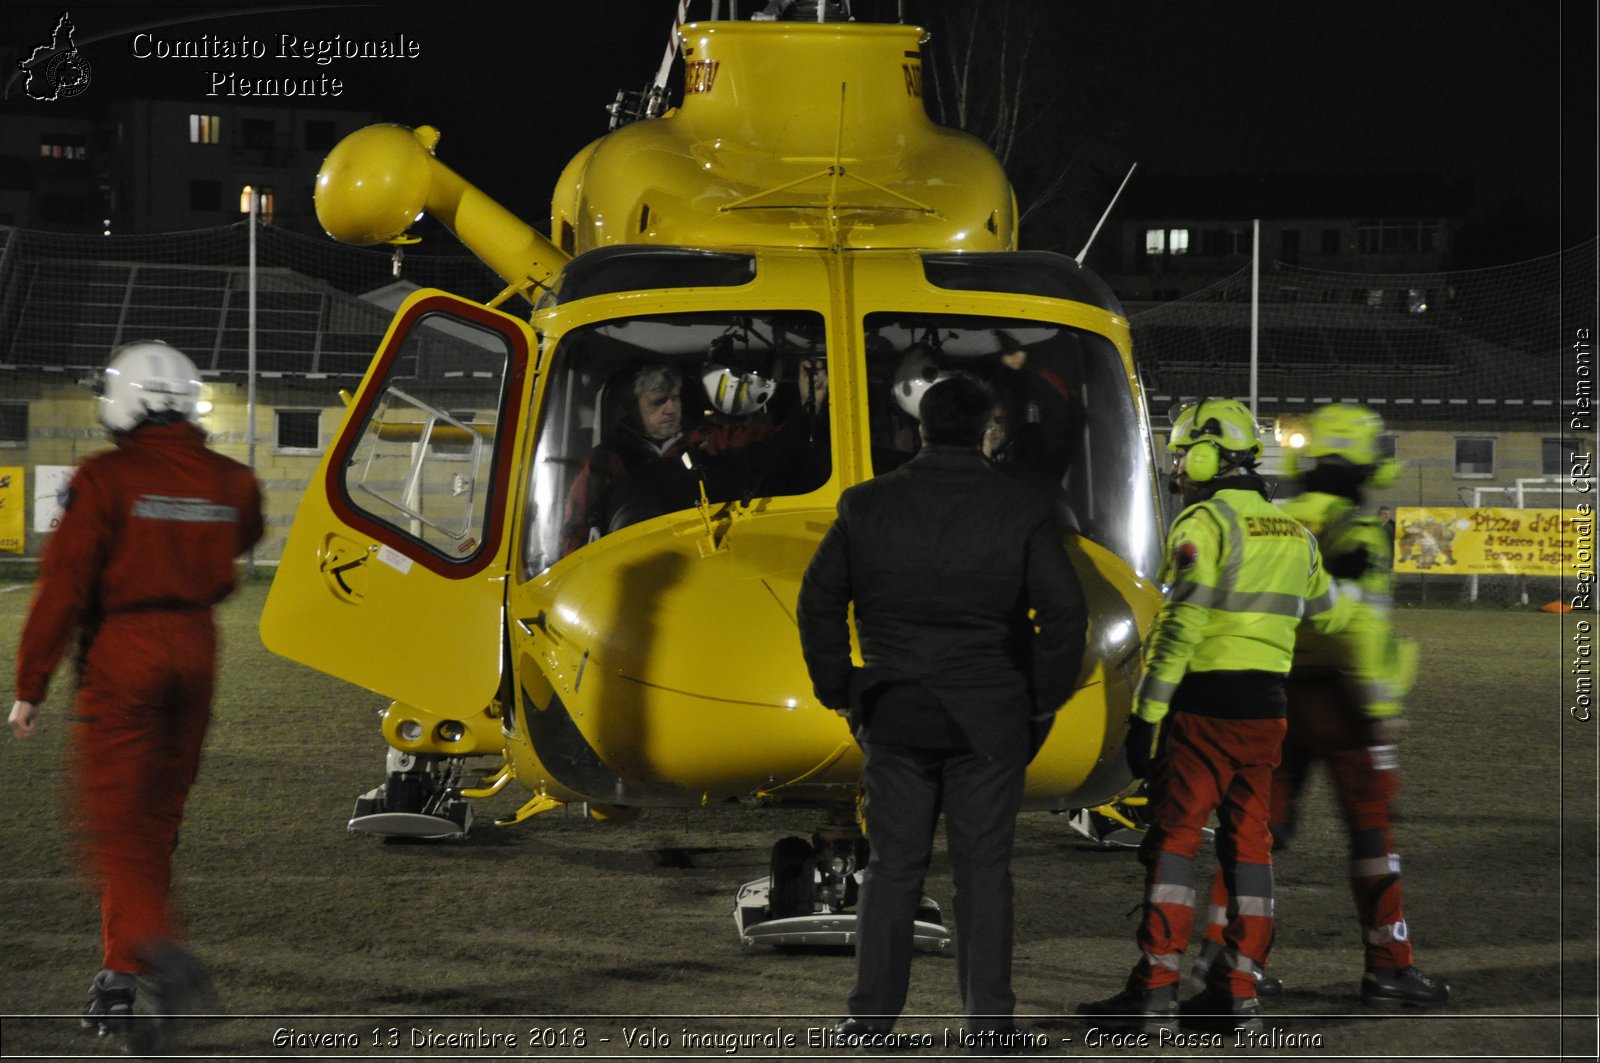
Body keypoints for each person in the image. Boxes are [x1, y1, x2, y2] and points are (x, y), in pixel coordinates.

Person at [796, 374, 1088, 1048]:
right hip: (990, 718)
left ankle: (869, 1021)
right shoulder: (1022, 507)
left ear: (918, 429)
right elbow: (1065, 612)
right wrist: (1041, 698)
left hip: (896, 712)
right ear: (988, 429)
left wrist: (840, 686)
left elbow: (818, 601)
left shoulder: (864, 506)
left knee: (893, 870)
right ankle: (989, 1025)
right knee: (984, 874)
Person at [9, 341, 264, 1053]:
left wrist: (31, 685)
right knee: (153, 826)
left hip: (126, 649)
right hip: (197, 651)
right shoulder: (231, 478)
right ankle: (120, 977)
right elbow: (248, 526)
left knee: (114, 830)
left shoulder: (106, 476)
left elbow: (64, 586)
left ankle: (162, 952)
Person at [1076, 397, 1348, 1034]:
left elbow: (1180, 627)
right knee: (1248, 846)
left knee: (1172, 842)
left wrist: (1148, 712)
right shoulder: (1294, 533)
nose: (1178, 466)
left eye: (1183, 453)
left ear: (1208, 453)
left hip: (1204, 709)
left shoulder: (1203, 523)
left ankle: (1155, 989)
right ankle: (1238, 990)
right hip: (1267, 712)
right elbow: (1329, 611)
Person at [1191, 404, 1448, 1009]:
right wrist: (1379, 703)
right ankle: (1389, 965)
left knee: (1257, 833)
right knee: (1371, 832)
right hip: (1342, 701)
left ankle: (1226, 957)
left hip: (1274, 691)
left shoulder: (1278, 519)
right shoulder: (1357, 531)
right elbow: (1355, 624)